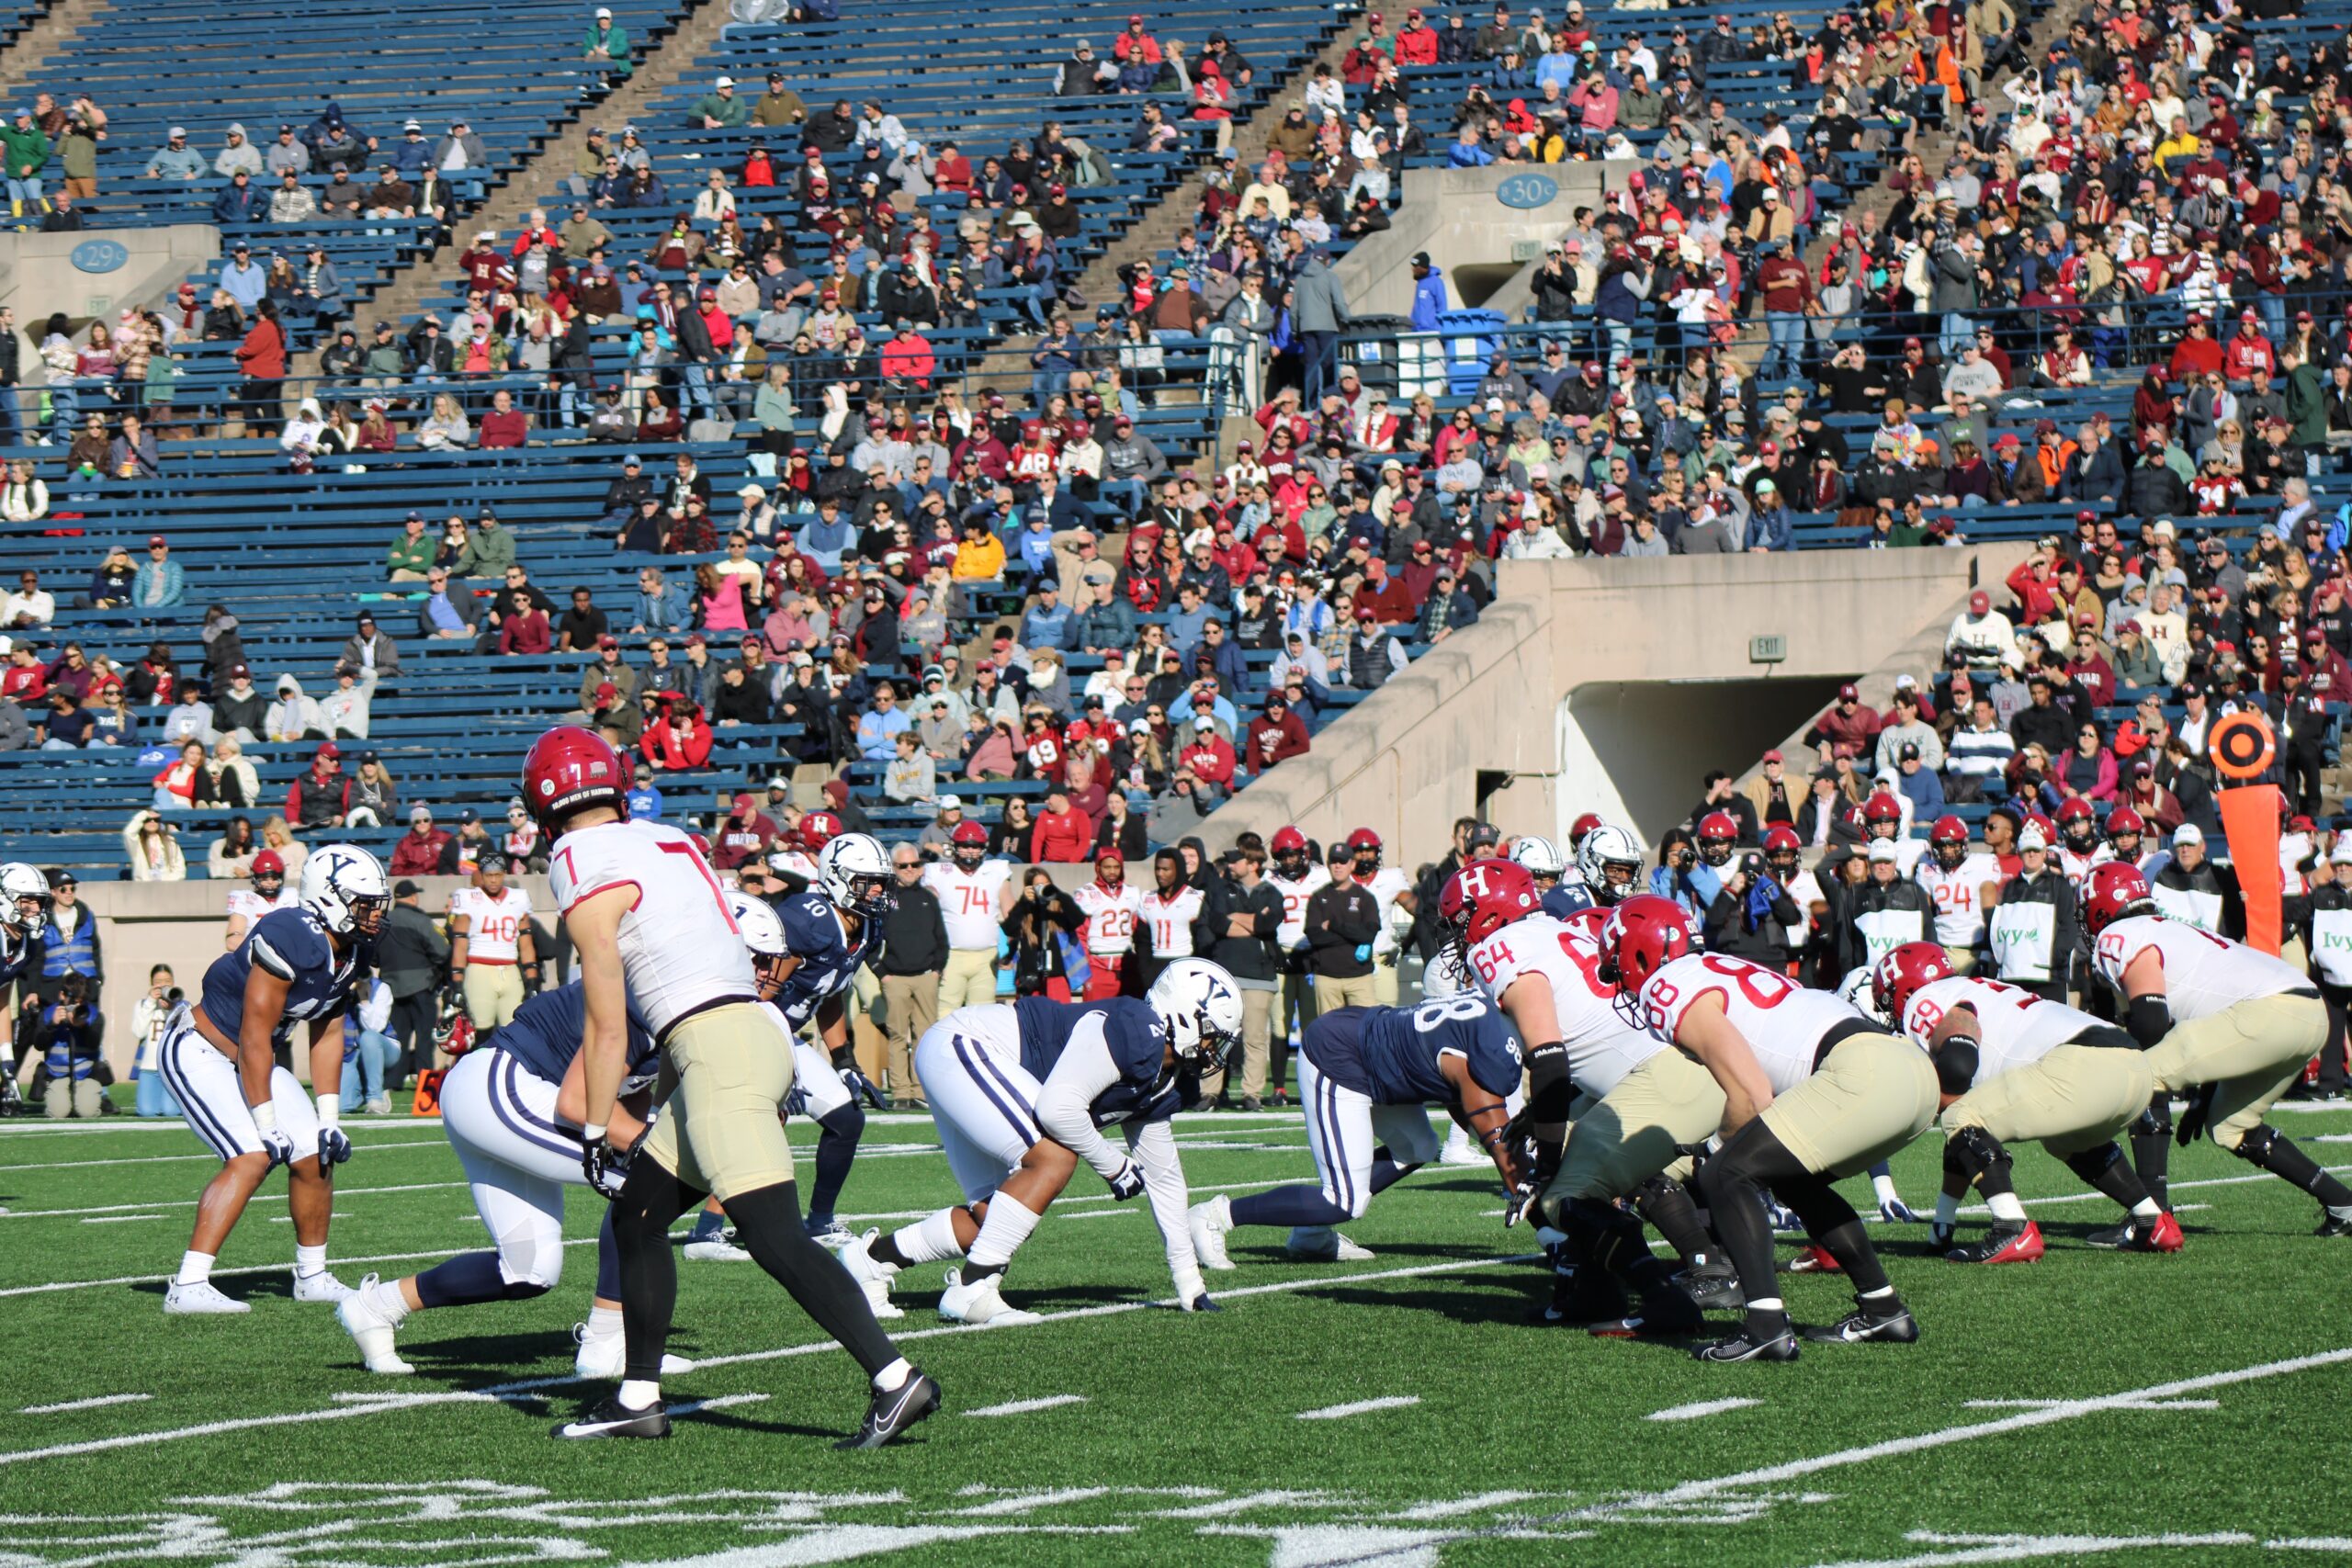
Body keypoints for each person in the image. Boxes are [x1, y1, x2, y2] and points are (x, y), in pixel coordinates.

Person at [532, 727, 931, 1448]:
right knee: (638, 1214)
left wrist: (595, 1127)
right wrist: (658, 1111)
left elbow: (607, 1018)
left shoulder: (575, 855)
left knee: (773, 1233)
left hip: (717, 1046)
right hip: (741, 1034)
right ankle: (638, 1396)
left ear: (545, 803)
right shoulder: (665, 837)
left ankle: (895, 1378)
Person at [1604, 894, 1935, 1362]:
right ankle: (1883, 1307)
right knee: (1791, 1180)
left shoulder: (1668, 984)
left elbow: (1751, 1094)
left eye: (1616, 965)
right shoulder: (1714, 966)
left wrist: (1712, 1151)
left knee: (1725, 1172)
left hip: (1860, 1070)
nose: (1619, 979)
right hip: (1906, 1070)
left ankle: (1765, 1327)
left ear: (1639, 952)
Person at [835, 961, 1239, 1323]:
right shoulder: (1138, 1031)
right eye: (1211, 1036)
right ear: (1185, 1017)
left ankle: (868, 1261)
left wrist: (1189, 1281)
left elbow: (1164, 1177)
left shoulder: (1165, 1080)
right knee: (1054, 1158)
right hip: (969, 1044)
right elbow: (1058, 1110)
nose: (1213, 1050)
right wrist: (1113, 1165)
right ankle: (973, 1290)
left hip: (968, 1058)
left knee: (992, 1223)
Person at [334, 980, 695, 1382]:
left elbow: (629, 1092)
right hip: (503, 1084)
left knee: (529, 1270)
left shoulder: (669, 997)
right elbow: (576, 1105)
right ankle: (608, 1342)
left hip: (492, 1090)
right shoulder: (648, 996)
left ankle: (377, 1305)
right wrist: (656, 1147)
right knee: (647, 1178)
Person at [154, 846, 387, 1314]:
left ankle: (312, 1275)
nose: (374, 915)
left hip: (249, 1056)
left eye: (376, 903)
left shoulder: (353, 950)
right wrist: (265, 1120)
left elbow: (328, 1030)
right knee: (253, 1155)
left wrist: (328, 1118)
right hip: (200, 1047)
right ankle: (188, 1285)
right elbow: (256, 1033)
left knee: (314, 1151)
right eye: (364, 903)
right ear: (329, 899)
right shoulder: (288, 934)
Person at [2081, 863, 2352, 1236]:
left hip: (2267, 1011)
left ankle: (2151, 1219)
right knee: (2230, 1125)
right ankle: (2342, 1203)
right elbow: (2215, 1017)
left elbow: (2151, 1023)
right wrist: (2203, 1094)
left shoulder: (2121, 934)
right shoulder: (2173, 929)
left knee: (2142, 1075)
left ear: (2100, 908)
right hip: (2308, 1012)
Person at [1873, 943, 2178, 1263]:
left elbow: (1958, 1068)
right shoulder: (1983, 987)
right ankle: (2152, 1220)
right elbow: (1962, 1136)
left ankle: (2011, 1227)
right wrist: (1943, 1221)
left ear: (1904, 990)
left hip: (2082, 1064)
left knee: (1961, 1114)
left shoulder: (1926, 999)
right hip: (2133, 1064)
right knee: (2062, 1139)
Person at [1193, 994, 1521, 1269]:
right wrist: (1525, 1187)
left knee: (1418, 1146)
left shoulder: (1485, 1021)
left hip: (1372, 1049)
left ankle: (1311, 1232)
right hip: (1339, 1056)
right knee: (1344, 1201)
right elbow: (1486, 1124)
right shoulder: (1490, 1046)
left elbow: (1464, 1104)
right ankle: (1216, 1215)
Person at [876, 847, 946, 1108]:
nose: (909, 870)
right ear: (893, 868)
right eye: (903, 866)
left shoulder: (929, 898)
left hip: (926, 976)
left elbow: (941, 939)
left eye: (914, 865)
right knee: (897, 1035)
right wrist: (882, 974)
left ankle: (920, 1090)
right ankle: (901, 1093)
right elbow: (872, 940)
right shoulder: (883, 898)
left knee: (925, 1036)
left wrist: (938, 969)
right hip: (895, 978)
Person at [448, 852, 540, 1033]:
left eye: (497, 875)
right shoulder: (468, 898)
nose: (493, 880)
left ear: (504, 874)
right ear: (481, 875)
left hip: (510, 969)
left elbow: (526, 942)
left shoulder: (519, 897)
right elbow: (460, 944)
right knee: (481, 1032)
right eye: (489, 875)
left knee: (515, 1030)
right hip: (479, 969)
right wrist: (457, 983)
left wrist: (532, 980)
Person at [922, 820, 1008, 1011]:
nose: (970, 851)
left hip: (987, 956)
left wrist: (1014, 948)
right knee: (945, 1012)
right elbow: (926, 908)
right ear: (955, 847)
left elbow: (1010, 911)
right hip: (951, 955)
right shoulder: (938, 872)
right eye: (965, 846)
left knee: (981, 1016)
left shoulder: (996, 871)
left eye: (975, 846)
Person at [378, 877, 449, 1085]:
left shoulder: (383, 922)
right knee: (424, 1036)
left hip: (392, 987)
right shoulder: (421, 920)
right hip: (421, 985)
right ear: (413, 898)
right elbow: (442, 951)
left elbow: (372, 956)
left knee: (397, 1036)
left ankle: (393, 1080)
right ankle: (425, 1083)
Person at [224, 848, 296, 952]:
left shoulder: (291, 896)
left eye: (274, 877)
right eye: (264, 878)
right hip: (256, 958)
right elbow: (232, 941)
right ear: (255, 878)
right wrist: (265, 949)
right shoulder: (244, 899)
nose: (270, 882)